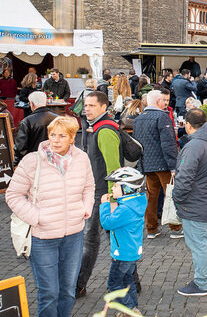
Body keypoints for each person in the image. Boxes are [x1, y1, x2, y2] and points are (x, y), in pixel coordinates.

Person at [6, 116, 94, 317]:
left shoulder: (81, 158)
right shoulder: (32, 161)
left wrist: (85, 208)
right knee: (49, 293)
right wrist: (36, 216)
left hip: (73, 235)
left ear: (72, 137)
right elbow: (13, 195)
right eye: (52, 135)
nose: (56, 140)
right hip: (42, 238)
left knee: (68, 292)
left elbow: (89, 187)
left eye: (62, 136)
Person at [76, 91, 126, 298]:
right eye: (85, 105)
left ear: (104, 107)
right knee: (114, 239)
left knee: (92, 240)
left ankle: (78, 285)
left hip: (102, 194)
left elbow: (113, 167)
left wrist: (112, 199)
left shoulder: (104, 130)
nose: (86, 109)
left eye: (91, 105)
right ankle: (131, 280)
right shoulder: (93, 128)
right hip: (96, 191)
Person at [173, 109, 207, 296]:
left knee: (197, 243)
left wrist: (176, 199)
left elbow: (184, 177)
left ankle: (201, 282)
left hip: (195, 201)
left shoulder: (195, 146)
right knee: (202, 239)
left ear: (188, 125)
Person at [133, 90, 181, 239]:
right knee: (171, 194)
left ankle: (151, 228)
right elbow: (168, 144)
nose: (165, 103)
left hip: (146, 163)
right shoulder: (162, 117)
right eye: (163, 101)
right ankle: (175, 228)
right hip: (163, 164)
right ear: (158, 101)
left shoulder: (139, 119)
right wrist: (173, 165)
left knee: (151, 196)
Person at [99, 167, 147, 317]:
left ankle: (131, 308)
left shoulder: (125, 209)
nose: (112, 188)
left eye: (115, 186)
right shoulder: (135, 204)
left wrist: (104, 205)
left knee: (113, 284)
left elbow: (107, 223)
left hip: (122, 255)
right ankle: (130, 310)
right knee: (128, 282)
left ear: (127, 188)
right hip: (132, 253)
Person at [14, 92, 58, 165]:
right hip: (55, 160)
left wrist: (17, 164)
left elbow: (20, 148)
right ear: (46, 102)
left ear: (31, 104)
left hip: (34, 162)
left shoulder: (27, 121)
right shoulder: (58, 119)